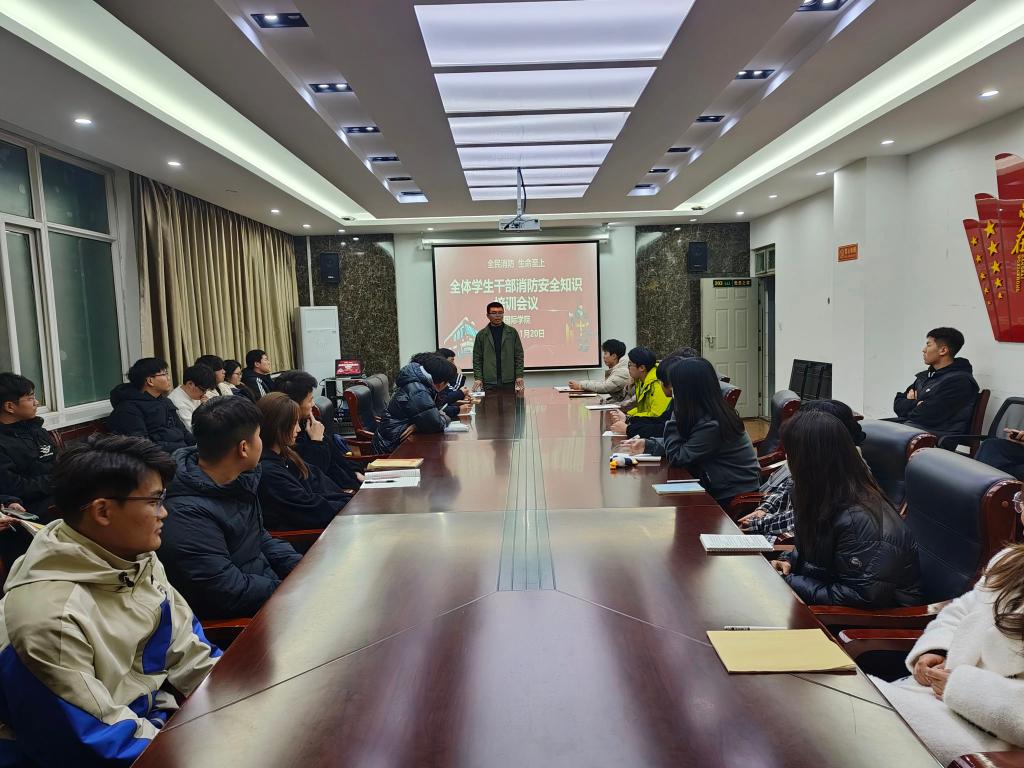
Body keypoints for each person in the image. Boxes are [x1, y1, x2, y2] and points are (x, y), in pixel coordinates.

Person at [0, 434, 220, 767]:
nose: (164, 513)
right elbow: (89, 743)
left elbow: (189, 650)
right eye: (154, 501)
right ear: (102, 511)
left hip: (153, 723)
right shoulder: (48, 618)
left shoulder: (133, 559)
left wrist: (240, 700)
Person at [874, 498, 1024, 764]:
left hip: (991, 744)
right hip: (936, 701)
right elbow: (961, 610)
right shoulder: (1010, 562)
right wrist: (936, 649)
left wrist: (962, 688)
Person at [159, 397, 300, 619]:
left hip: (271, 595)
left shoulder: (238, 480)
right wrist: (293, 591)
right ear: (244, 448)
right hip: (247, 620)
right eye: (258, 436)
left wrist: (302, 570)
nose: (261, 443)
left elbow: (259, 537)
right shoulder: (185, 513)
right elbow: (227, 591)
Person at [771, 409, 923, 608]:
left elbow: (858, 597)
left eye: (791, 452)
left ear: (810, 461)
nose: (787, 458)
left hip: (867, 622)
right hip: (822, 603)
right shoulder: (819, 495)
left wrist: (788, 581)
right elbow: (812, 555)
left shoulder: (859, 521)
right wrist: (788, 561)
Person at [622, 356, 760, 507]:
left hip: (732, 495)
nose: (672, 390)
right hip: (714, 482)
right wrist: (648, 445)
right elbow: (688, 444)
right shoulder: (705, 410)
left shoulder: (712, 424)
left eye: (675, 386)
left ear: (686, 389)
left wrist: (676, 409)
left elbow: (677, 456)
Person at [739, 399, 867, 537]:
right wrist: (765, 509)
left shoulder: (841, 472)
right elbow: (786, 488)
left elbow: (806, 518)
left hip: (792, 539)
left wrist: (759, 523)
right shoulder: (815, 458)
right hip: (780, 531)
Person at [257, 393, 350, 530]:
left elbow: (320, 483)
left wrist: (348, 501)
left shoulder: (288, 456)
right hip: (311, 537)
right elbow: (311, 509)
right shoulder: (269, 472)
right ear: (277, 427)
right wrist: (348, 505)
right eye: (294, 424)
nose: (299, 429)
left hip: (331, 522)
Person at [273, 370, 362, 491]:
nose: (313, 404)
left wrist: (355, 472)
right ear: (293, 404)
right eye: (309, 400)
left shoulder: (310, 424)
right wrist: (316, 442)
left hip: (346, 488)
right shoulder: (287, 437)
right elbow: (311, 479)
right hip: (334, 494)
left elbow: (336, 458)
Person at [893, 327, 979, 437]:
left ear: (943, 350)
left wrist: (911, 403)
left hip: (935, 436)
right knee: (872, 428)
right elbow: (898, 404)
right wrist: (916, 404)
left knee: (879, 436)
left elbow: (926, 415)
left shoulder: (959, 381)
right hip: (912, 427)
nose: (924, 350)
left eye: (928, 345)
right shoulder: (926, 376)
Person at [106, 358, 195, 455]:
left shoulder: (165, 402)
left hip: (183, 452)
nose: (169, 378)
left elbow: (183, 432)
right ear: (150, 381)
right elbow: (142, 446)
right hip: (163, 458)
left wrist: (199, 446)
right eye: (164, 374)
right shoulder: (128, 410)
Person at [0, 373, 58, 519]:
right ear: (10, 406)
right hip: (29, 509)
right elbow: (14, 487)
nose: (36, 402)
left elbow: (61, 462)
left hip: (59, 493)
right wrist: (59, 480)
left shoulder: (37, 430)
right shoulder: (3, 443)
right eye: (30, 398)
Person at [371, 355, 453, 455]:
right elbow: (435, 423)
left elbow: (433, 415)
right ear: (441, 383)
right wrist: (444, 417)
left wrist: (419, 425)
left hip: (395, 440)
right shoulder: (418, 390)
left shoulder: (418, 383)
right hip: (392, 447)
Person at [609, 354, 679, 438]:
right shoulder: (640, 381)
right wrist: (628, 419)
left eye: (630, 364)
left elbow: (662, 427)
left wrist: (629, 429)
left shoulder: (655, 383)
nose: (628, 368)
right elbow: (661, 419)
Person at [471, 302, 524, 392]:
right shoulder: (482, 335)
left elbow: (519, 355)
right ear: (488, 316)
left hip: (508, 379)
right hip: (489, 380)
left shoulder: (512, 332)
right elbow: (477, 358)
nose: (498, 316)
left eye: (500, 313)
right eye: (494, 313)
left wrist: (519, 375)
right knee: (489, 401)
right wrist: (478, 378)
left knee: (509, 401)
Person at [168, 364, 217, 433]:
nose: (205, 393)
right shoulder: (179, 404)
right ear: (190, 384)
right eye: (203, 390)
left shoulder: (193, 393)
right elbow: (194, 431)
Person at [436, 348, 468, 417]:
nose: (454, 364)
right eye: (452, 360)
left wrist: (462, 395)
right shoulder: (438, 376)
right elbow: (453, 391)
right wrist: (459, 375)